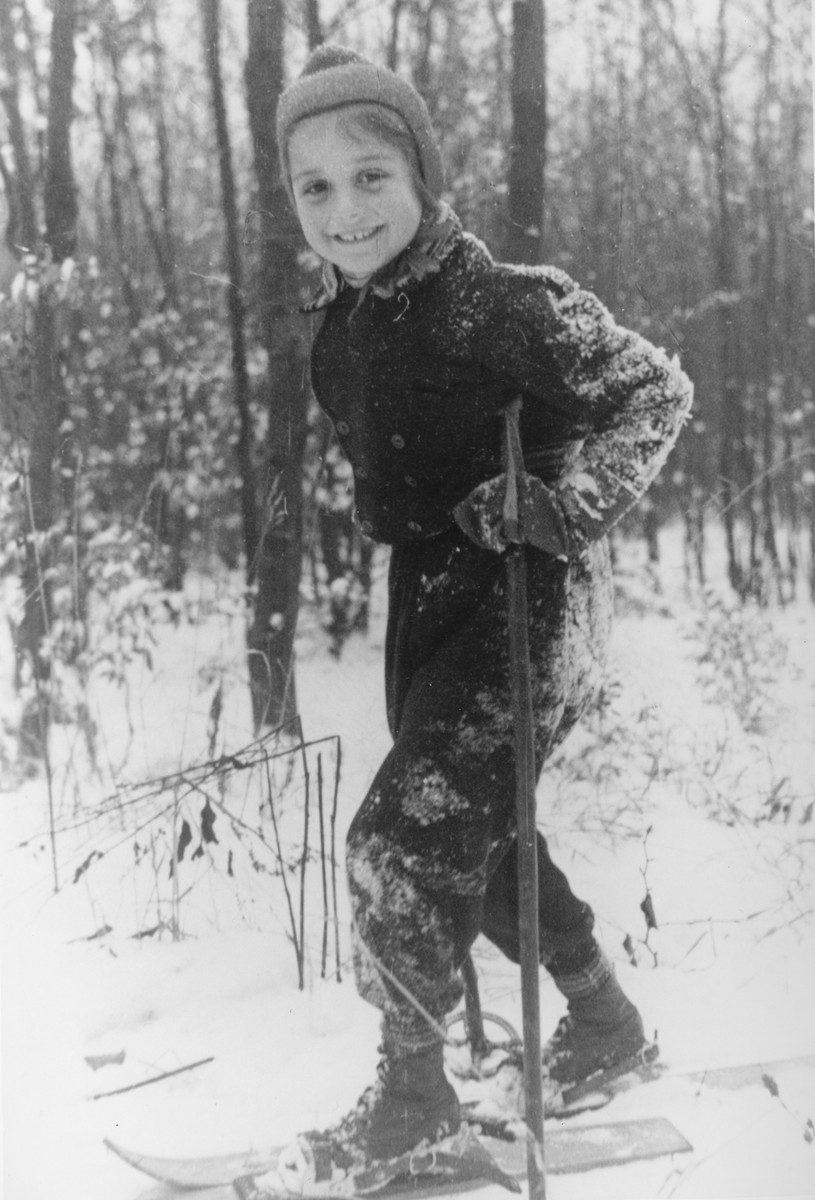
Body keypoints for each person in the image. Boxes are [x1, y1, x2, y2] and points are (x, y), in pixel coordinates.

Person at [275, 44, 693, 1173]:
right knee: (483, 835)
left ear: (420, 173)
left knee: (397, 846)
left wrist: (561, 501)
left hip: (527, 595)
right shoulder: (337, 333)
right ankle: (604, 1021)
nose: (344, 210)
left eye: (370, 176)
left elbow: (654, 391)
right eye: (313, 187)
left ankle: (413, 1096)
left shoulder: (503, 303)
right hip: (429, 601)